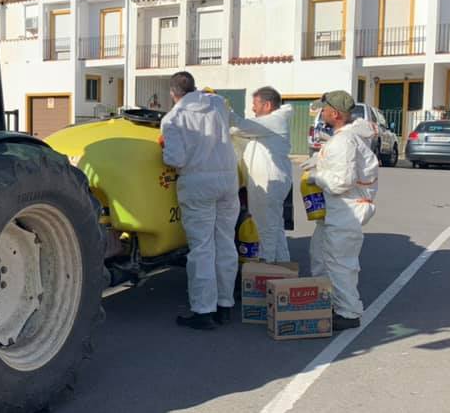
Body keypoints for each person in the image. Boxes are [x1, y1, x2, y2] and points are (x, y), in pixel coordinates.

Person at [160, 71, 239, 330]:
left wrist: (163, 147)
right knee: (226, 243)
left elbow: (175, 160)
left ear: (173, 94)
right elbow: (223, 106)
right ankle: (225, 306)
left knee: (202, 248)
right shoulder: (216, 104)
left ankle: (204, 311)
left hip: (198, 184)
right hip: (228, 181)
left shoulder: (173, 119)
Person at [302, 90, 379, 330]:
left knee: (340, 263)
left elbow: (341, 181)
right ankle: (327, 302)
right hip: (338, 210)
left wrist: (317, 176)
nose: (321, 113)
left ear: (334, 113)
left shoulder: (344, 141)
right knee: (320, 254)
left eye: (323, 110)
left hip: (346, 209)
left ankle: (348, 313)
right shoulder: (345, 137)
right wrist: (320, 159)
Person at [230, 86, 293, 263]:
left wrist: (222, 109)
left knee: (266, 229)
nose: (253, 108)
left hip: (269, 183)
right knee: (276, 229)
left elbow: (241, 126)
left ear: (267, 105)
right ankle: (283, 270)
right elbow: (239, 130)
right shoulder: (268, 124)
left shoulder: (273, 121)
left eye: (255, 104)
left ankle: (267, 273)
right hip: (270, 182)